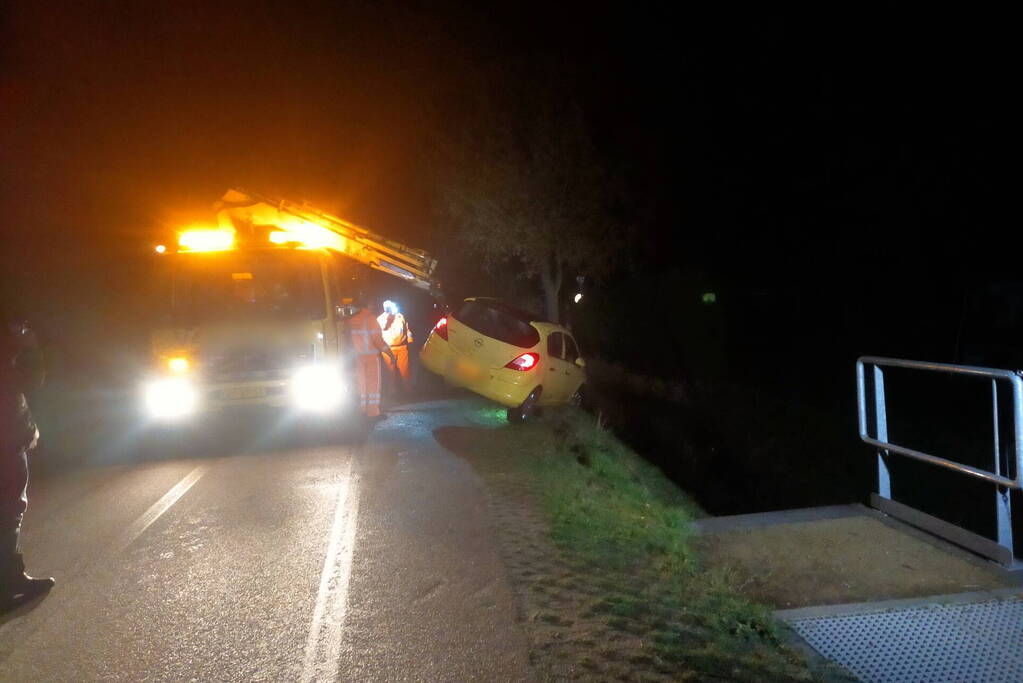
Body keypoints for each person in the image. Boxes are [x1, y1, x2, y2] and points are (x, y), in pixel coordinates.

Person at [1, 317, 54, 610]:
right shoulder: (11, 333)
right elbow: (30, 378)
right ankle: (9, 583)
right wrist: (29, 344)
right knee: (8, 511)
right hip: (5, 440)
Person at [345, 296, 395, 420]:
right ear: (368, 305)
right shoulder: (371, 319)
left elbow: (347, 339)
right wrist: (390, 354)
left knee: (361, 384)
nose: (373, 307)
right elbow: (378, 341)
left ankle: (361, 410)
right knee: (373, 385)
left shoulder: (352, 320)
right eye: (372, 304)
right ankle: (373, 413)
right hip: (371, 357)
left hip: (358, 357)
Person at [377, 300, 414, 396]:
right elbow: (381, 331)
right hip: (388, 349)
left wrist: (410, 341)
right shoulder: (380, 319)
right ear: (384, 308)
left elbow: (407, 329)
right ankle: (392, 393)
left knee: (405, 371)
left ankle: (408, 392)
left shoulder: (400, 316)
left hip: (402, 348)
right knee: (390, 372)